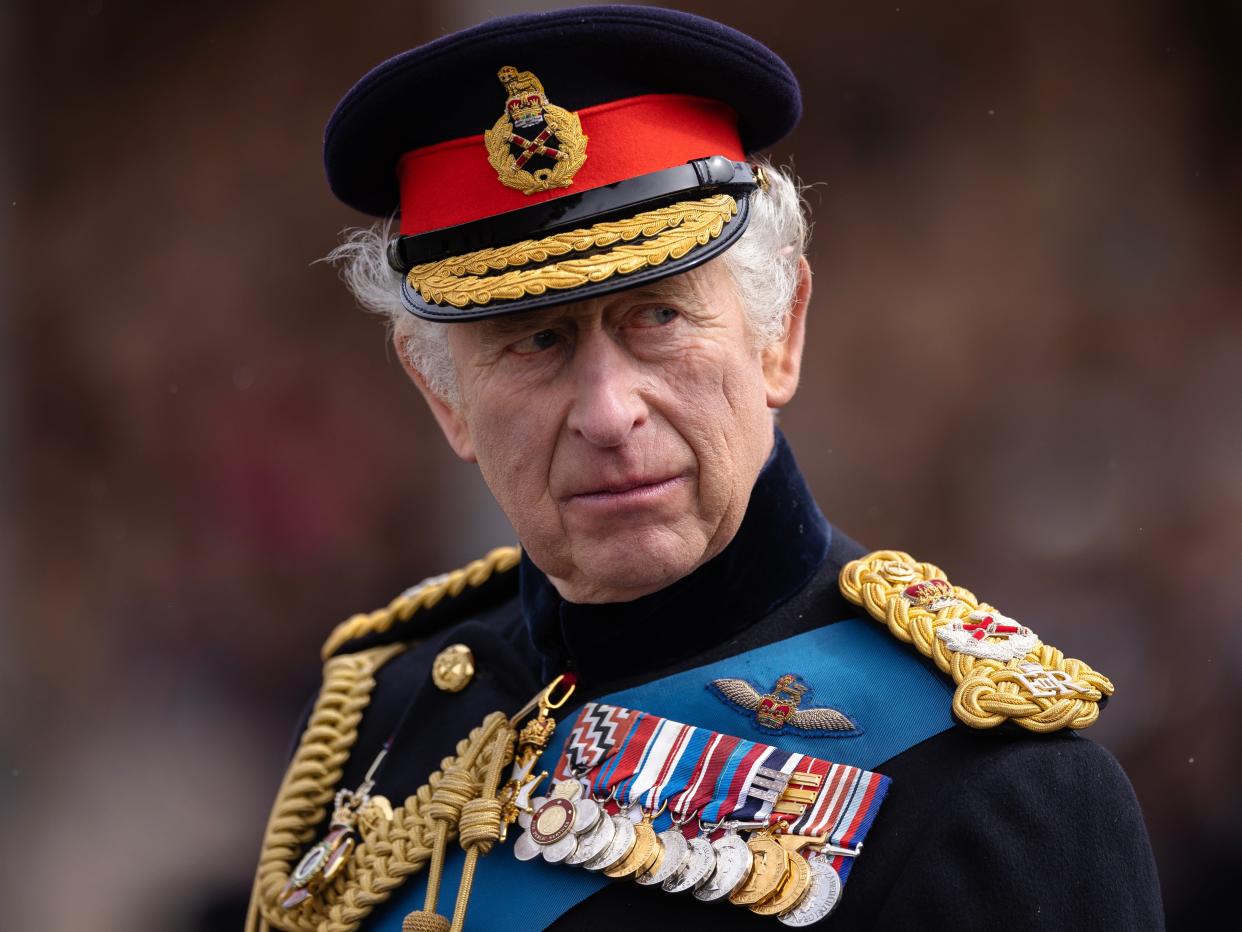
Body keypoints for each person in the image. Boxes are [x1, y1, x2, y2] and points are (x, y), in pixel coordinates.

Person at [246, 6, 1163, 931]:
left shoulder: (994, 792)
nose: (609, 414)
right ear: (444, 397)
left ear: (780, 333)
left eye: (659, 318)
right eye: (536, 341)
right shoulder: (381, 712)